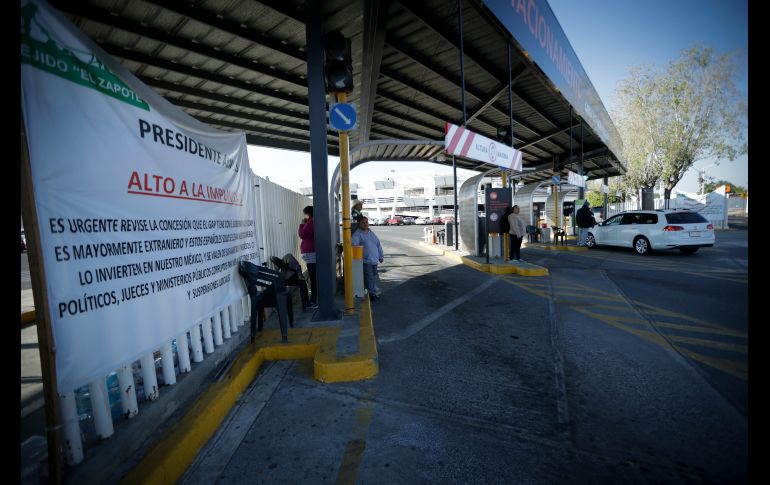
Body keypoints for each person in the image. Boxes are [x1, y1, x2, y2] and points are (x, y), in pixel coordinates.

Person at [351, 217, 384, 301]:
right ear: (359, 224)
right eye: (363, 222)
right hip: (366, 261)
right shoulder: (357, 234)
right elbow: (353, 245)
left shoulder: (371, 232)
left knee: (373, 276)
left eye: (366, 222)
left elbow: (378, 244)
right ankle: (371, 294)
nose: (365, 224)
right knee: (369, 277)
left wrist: (381, 256)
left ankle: (372, 291)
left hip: (374, 260)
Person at [298, 206, 318, 307]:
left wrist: (302, 224)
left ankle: (314, 300)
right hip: (313, 253)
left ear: (307, 213)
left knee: (314, 277)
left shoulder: (311, 222)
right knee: (314, 277)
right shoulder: (314, 221)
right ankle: (315, 299)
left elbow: (303, 235)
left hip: (311, 253)